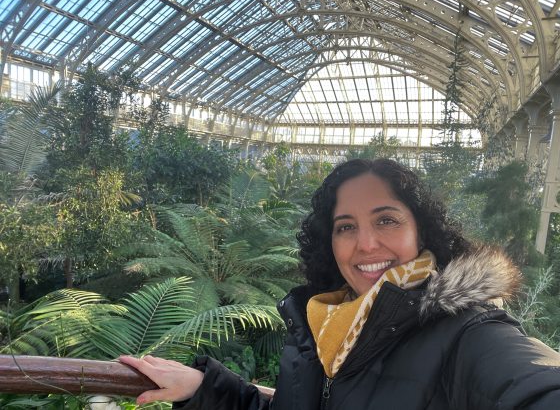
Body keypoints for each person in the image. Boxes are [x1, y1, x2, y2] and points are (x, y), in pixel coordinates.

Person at [120, 158, 560, 409]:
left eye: (386, 220)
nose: (366, 244)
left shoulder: (468, 333)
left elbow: (535, 383)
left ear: (421, 232)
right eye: (345, 226)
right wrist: (209, 389)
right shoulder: (324, 323)